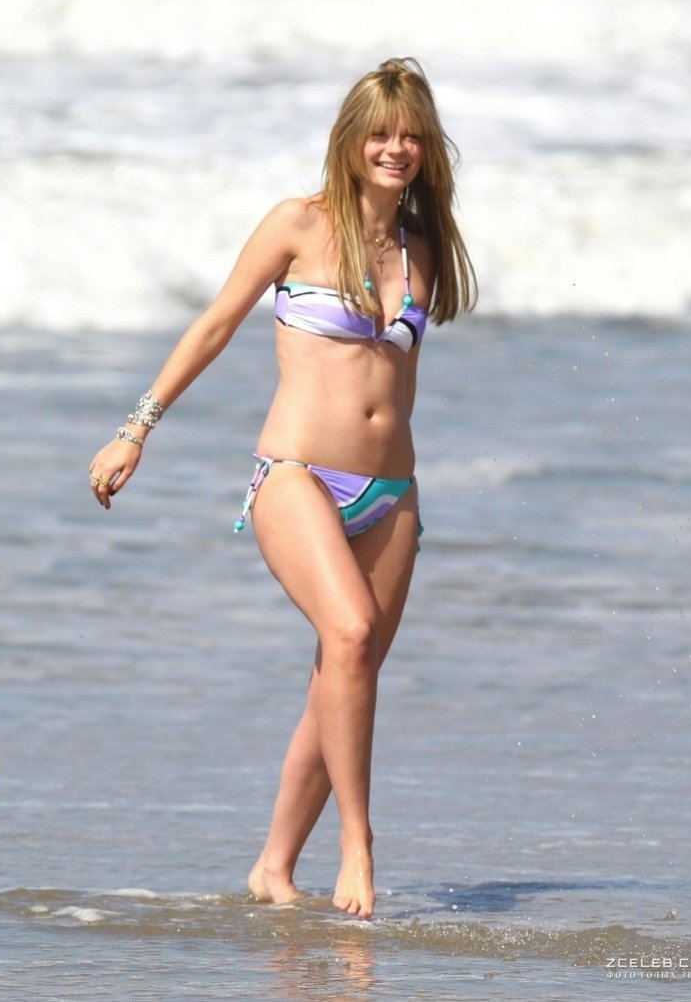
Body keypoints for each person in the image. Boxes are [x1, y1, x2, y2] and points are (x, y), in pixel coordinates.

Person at [88, 57, 477, 920]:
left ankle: (272, 869)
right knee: (351, 633)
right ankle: (358, 847)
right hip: (297, 475)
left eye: (412, 134)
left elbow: (399, 381)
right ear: (350, 140)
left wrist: (403, 491)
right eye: (380, 133)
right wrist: (136, 427)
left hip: (392, 491)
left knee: (344, 673)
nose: (396, 148)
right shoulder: (297, 224)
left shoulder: (422, 248)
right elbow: (215, 324)